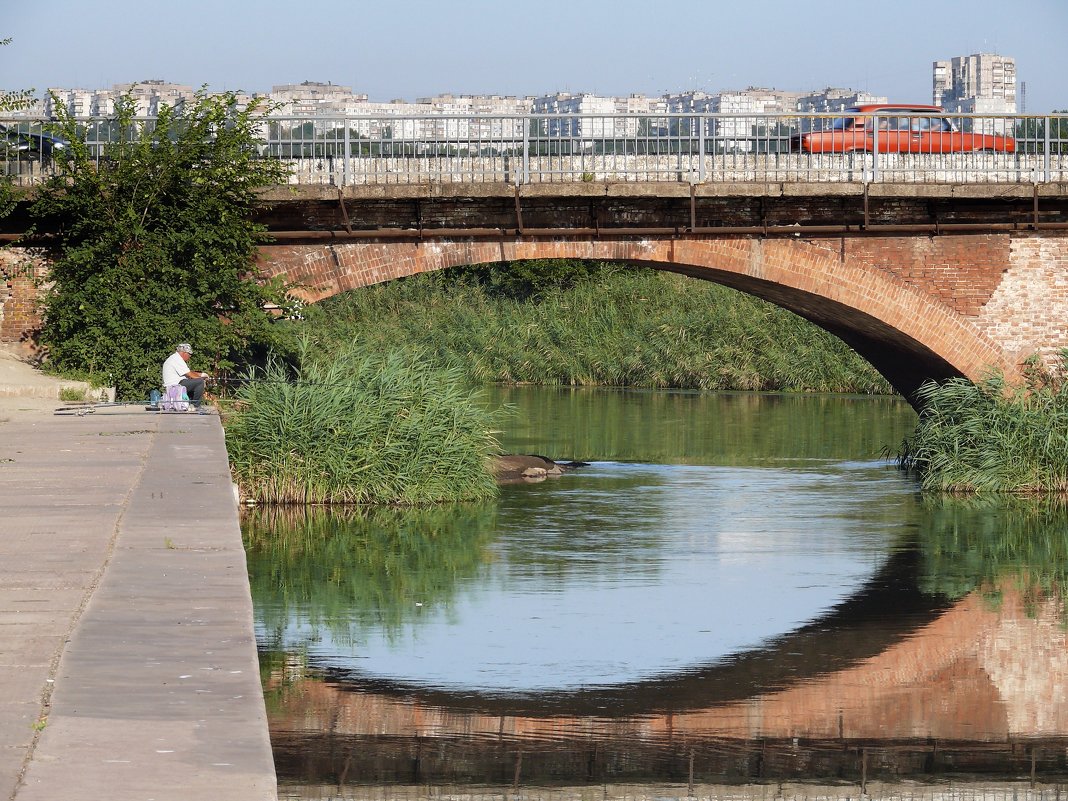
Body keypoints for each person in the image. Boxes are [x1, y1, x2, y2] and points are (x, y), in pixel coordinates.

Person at [161, 343, 210, 407]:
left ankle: (189, 404)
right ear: (184, 353)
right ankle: (196, 406)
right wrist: (202, 379)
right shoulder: (177, 359)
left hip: (175, 385)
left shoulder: (175, 358)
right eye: (189, 354)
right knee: (200, 382)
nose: (190, 356)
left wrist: (202, 374)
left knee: (195, 381)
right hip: (175, 386)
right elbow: (190, 375)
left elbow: (188, 372)